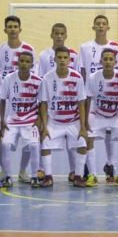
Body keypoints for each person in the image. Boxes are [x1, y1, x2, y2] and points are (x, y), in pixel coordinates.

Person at [0, 15, 36, 183]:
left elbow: (34, 74)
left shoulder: (29, 49)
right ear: (5, 30)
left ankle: (23, 171)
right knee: (3, 136)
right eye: (9, 26)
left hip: (25, 100)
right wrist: (6, 91)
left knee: (28, 139)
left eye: (15, 26)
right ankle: (5, 170)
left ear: (20, 29)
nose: (12, 29)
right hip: (6, 98)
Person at [79, 15, 118, 181]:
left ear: (108, 27)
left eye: (104, 24)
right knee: (90, 132)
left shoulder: (116, 48)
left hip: (110, 95)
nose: (101, 26)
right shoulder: (85, 47)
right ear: (93, 27)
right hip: (91, 94)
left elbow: (117, 72)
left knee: (111, 132)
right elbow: (83, 71)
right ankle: (90, 171)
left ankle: (110, 165)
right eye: (98, 24)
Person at [40, 46, 87, 188]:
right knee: (45, 143)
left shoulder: (77, 77)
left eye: (65, 58)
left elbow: (81, 103)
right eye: (59, 57)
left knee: (83, 143)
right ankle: (48, 176)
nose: (62, 60)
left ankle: (78, 176)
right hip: (54, 121)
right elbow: (43, 104)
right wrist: (44, 126)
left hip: (73, 121)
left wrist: (83, 127)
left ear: (69, 60)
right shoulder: (47, 78)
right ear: (54, 59)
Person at [38, 22, 79, 182]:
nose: (59, 36)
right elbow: (40, 79)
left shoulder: (73, 54)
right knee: (45, 135)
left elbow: (75, 76)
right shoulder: (43, 55)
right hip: (49, 101)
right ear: (51, 35)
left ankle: (74, 171)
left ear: (66, 35)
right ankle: (43, 170)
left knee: (72, 138)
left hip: (68, 101)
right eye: (56, 33)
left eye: (62, 33)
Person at [85, 48, 118, 187]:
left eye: (111, 59)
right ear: (100, 61)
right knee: (88, 138)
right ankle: (92, 174)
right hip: (98, 113)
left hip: (116, 113)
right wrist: (85, 122)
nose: (108, 62)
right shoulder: (93, 78)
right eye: (105, 59)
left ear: (116, 62)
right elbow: (87, 99)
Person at [0, 51, 42, 188]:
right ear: (17, 62)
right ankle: (7, 176)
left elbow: (42, 103)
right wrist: (2, 120)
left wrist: (39, 119)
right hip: (11, 121)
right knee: (5, 144)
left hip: (30, 121)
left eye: (27, 61)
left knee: (33, 145)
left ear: (31, 64)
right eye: (22, 61)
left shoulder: (38, 81)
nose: (24, 64)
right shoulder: (9, 79)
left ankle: (33, 175)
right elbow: (2, 100)